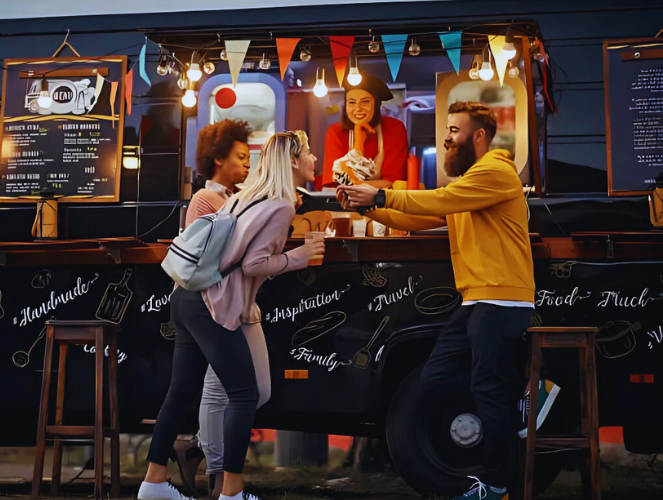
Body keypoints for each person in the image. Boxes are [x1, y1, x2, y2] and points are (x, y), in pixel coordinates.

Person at [338, 101, 549, 500]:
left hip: (502, 302)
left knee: (485, 389)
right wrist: (373, 207)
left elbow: (434, 201)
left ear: (479, 136)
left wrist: (381, 193)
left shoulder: (495, 172)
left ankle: (497, 484)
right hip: (475, 302)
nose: (447, 138)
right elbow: (422, 218)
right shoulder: (470, 185)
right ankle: (522, 394)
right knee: (434, 378)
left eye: (454, 129)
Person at [139, 131, 323, 500]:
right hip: (211, 305)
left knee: (180, 393)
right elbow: (255, 264)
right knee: (244, 393)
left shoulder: (243, 197)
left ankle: (153, 483)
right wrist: (297, 258)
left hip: (186, 298)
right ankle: (232, 493)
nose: (315, 158)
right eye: (309, 152)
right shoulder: (281, 206)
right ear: (291, 161)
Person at [171, 119, 262, 499]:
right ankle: (217, 475)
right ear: (218, 159)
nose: (246, 164)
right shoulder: (206, 199)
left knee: (242, 389)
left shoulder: (236, 196)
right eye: (240, 157)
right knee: (217, 388)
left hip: (230, 303)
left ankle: (200, 456)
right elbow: (208, 257)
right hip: (208, 303)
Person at [315, 70, 408, 190]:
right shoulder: (335, 132)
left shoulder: (394, 128)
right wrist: (358, 146)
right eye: (352, 102)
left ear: (376, 105)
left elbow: (393, 183)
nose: (358, 108)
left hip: (386, 203)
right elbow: (335, 183)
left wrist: (352, 184)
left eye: (365, 102)